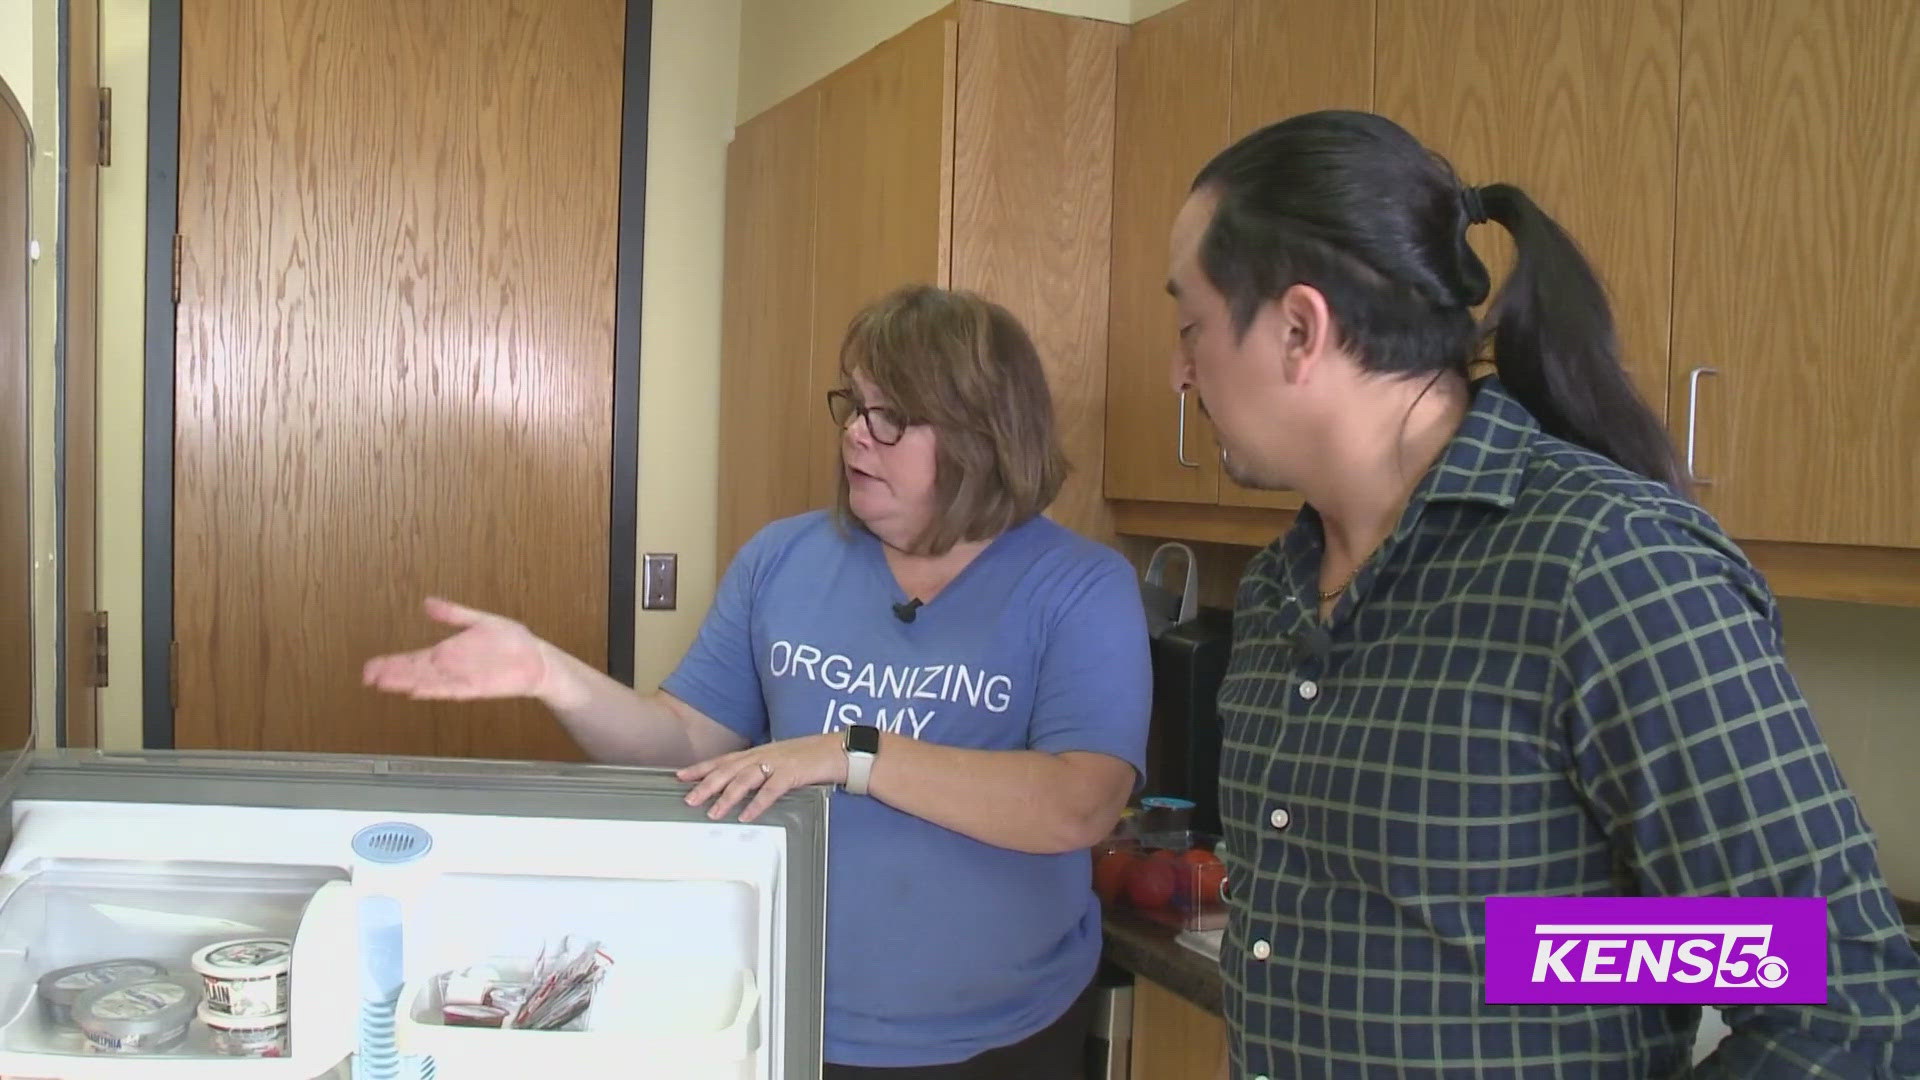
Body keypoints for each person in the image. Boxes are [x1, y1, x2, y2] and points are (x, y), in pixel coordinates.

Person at [1163, 110, 1920, 1078]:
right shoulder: (1275, 589)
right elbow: (1482, 940)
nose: (1180, 371)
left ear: (1300, 329)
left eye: (1191, 325)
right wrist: (1526, 949)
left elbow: (1845, 1005)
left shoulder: (1607, 566)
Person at [363, 284, 1152, 1078]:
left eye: (888, 417)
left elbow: (1078, 804)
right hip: (785, 1016)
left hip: (1003, 1037)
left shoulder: (1081, 587)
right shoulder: (783, 559)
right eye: (853, 405)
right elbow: (679, 742)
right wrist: (550, 673)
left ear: (982, 434)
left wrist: (854, 755)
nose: (855, 436)